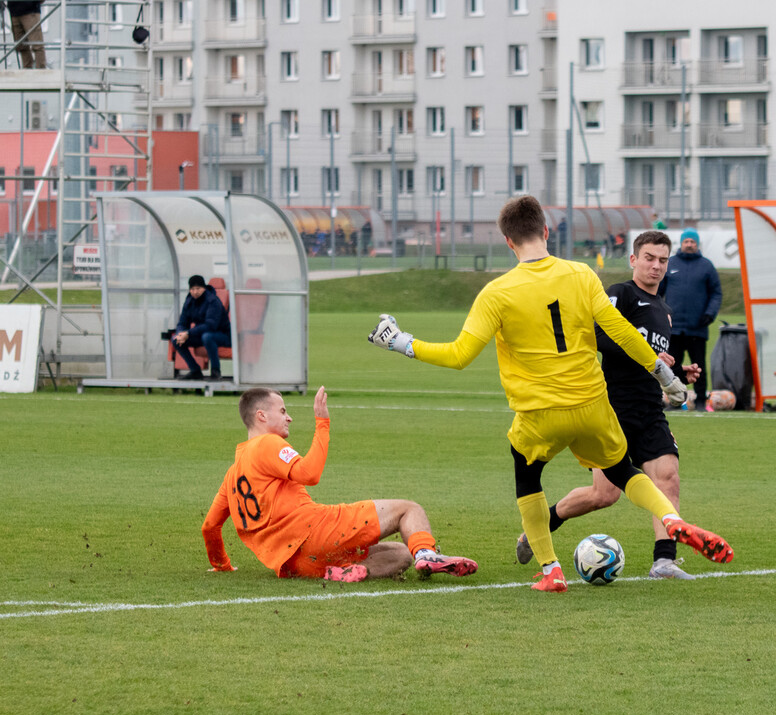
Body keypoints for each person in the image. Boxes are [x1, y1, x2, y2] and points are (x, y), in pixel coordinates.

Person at [368, 195, 733, 593]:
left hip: (540, 413)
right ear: (546, 231)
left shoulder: (497, 292)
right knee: (623, 472)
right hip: (593, 404)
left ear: (508, 241)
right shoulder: (581, 275)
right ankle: (672, 520)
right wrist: (665, 374)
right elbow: (622, 332)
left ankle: (550, 570)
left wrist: (401, 342)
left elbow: (458, 356)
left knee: (528, 477)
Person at [513, 230, 703, 580]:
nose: (656, 266)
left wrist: (676, 371)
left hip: (649, 411)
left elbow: (653, 360)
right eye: (649, 258)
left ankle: (664, 561)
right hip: (610, 409)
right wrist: (645, 355)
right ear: (633, 260)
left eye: (663, 260)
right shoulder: (621, 294)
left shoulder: (665, 310)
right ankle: (541, 526)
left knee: (668, 478)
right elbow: (597, 336)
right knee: (604, 494)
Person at [202, 386, 478, 583]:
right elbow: (309, 474)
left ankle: (353, 571)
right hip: (315, 531)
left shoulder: (232, 474)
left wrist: (222, 566)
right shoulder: (267, 443)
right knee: (409, 510)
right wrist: (322, 423)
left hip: (296, 564)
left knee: (403, 554)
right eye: (283, 410)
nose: (289, 417)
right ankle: (428, 555)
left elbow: (210, 526)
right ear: (261, 416)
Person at [658, 227, 722, 411]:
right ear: (682, 243)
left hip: (697, 327)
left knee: (699, 367)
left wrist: (710, 313)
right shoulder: (670, 264)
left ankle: (701, 401)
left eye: (692, 242)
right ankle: (674, 401)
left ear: (697, 244)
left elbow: (716, 293)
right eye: (686, 241)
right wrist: (661, 314)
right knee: (672, 367)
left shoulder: (706, 266)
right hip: (674, 328)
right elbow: (657, 292)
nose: (689, 244)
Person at [172, 274, 232, 380]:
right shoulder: (189, 301)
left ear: (204, 288)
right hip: (202, 334)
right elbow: (182, 322)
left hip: (223, 335)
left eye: (198, 288)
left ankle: (215, 371)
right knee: (175, 340)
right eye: (192, 289)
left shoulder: (212, 301)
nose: (195, 292)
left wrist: (189, 333)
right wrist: (180, 333)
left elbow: (211, 325)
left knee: (207, 336)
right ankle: (195, 370)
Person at [7, 2, 47, 70]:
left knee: (37, 45)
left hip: (30, 11)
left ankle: (41, 71)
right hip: (14, 12)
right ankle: (27, 70)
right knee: (21, 46)